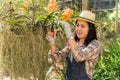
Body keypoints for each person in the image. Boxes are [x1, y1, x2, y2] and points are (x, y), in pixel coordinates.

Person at [46, 10, 101, 80]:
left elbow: (80, 56)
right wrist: (52, 42)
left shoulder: (95, 44)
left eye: (82, 26)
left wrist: (69, 33)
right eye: (77, 25)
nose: (78, 29)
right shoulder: (72, 43)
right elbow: (58, 59)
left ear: (90, 29)